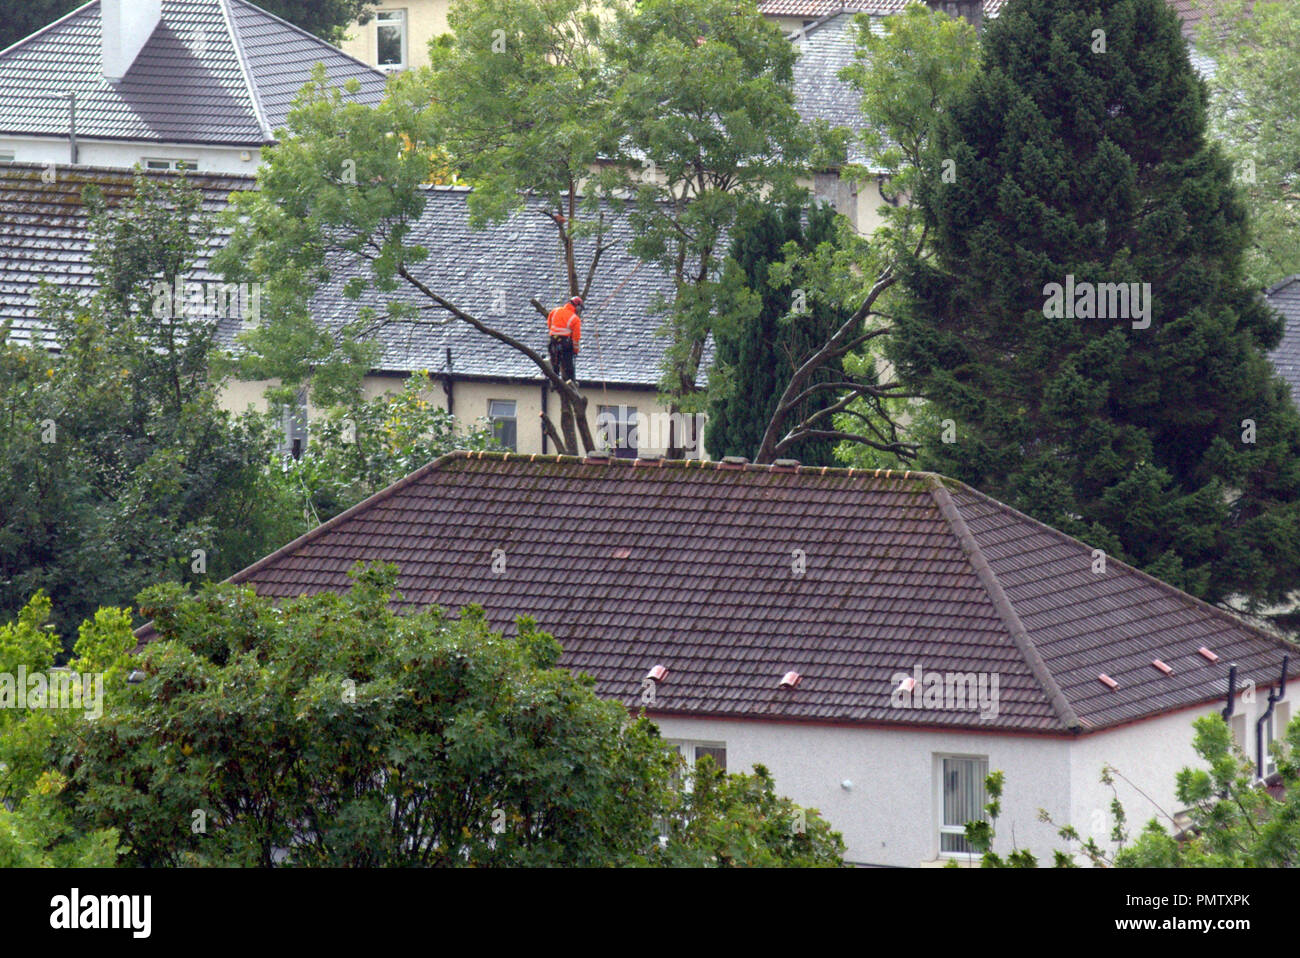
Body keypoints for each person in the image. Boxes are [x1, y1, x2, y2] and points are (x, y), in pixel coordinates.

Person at [547, 295, 583, 384]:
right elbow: (576, 338)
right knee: (568, 365)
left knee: (555, 362)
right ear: (577, 307)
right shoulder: (575, 319)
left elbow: (549, 324)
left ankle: (553, 381)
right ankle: (571, 381)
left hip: (553, 340)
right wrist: (575, 350)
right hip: (565, 343)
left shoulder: (555, 311)